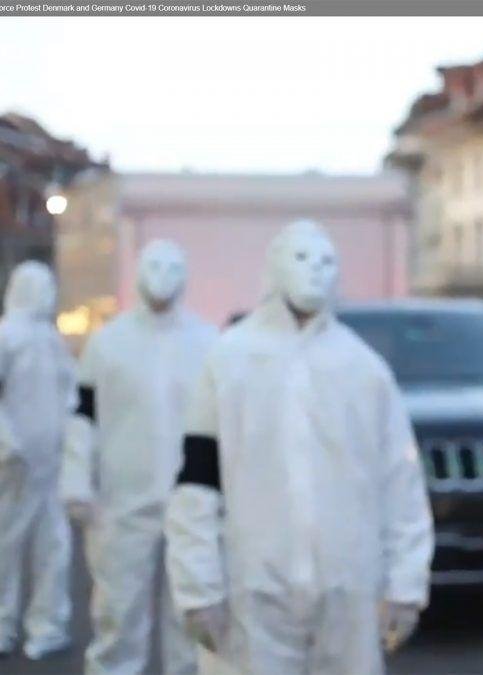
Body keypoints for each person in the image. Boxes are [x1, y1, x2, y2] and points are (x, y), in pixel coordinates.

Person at [165, 219, 434, 675]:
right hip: (251, 588)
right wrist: (198, 589)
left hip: (349, 588)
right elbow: (197, 481)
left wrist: (406, 584)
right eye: (302, 258)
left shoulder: (363, 369)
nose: (315, 271)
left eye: (327, 261)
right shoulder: (230, 360)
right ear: (274, 268)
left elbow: (400, 483)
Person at [63, 240, 215, 675]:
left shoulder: (207, 343)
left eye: (172, 266)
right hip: (121, 501)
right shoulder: (108, 344)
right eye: (155, 265)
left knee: (191, 617)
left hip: (190, 505)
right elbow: (83, 418)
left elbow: (223, 428)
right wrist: (77, 480)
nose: (163, 275)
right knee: (117, 615)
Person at [0, 261, 74, 660]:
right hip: (14, 463)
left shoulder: (51, 339)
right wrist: (7, 443)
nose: (48, 292)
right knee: (5, 545)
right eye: (40, 285)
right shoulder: (6, 335)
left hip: (51, 463)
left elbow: (69, 390)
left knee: (53, 545)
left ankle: (48, 624)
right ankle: (2, 621)